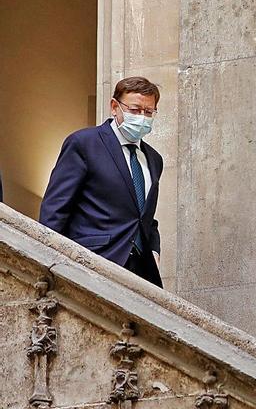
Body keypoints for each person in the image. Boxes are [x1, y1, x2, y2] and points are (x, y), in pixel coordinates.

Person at [40, 76, 165, 287]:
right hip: (93, 262)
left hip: (141, 272)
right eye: (135, 110)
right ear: (114, 107)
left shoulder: (153, 159)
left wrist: (153, 249)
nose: (142, 117)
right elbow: (56, 209)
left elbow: (144, 217)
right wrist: (47, 263)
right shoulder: (84, 143)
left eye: (148, 112)